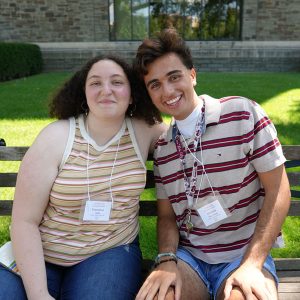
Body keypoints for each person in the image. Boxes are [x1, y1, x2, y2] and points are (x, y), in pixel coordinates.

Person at [133, 28, 291, 300]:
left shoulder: (243, 114)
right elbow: (167, 217)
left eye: (174, 77)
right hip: (190, 260)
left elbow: (279, 191)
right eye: (155, 84)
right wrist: (167, 258)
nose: (167, 91)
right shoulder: (164, 149)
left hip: (244, 256)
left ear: (192, 75)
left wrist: (252, 263)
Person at [0, 55, 166, 300]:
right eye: (95, 83)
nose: (106, 90)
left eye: (117, 82)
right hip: (40, 254)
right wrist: (38, 295)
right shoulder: (56, 137)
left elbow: (187, 130)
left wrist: (210, 105)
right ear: (83, 94)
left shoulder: (144, 129)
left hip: (109, 250)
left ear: (132, 94)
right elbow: (24, 222)